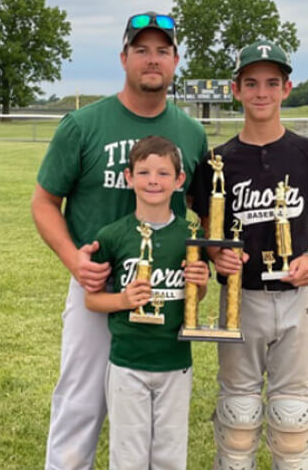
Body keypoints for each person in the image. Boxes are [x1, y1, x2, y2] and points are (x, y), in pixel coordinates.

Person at [31, 11, 207, 470]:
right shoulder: (84, 125)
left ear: (175, 61)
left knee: (161, 417)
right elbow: (44, 201)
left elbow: (202, 209)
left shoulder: (190, 132)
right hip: (98, 284)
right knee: (81, 401)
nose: (153, 60)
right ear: (123, 57)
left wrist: (203, 263)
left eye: (163, 51)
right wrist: (75, 262)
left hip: (163, 290)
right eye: (142, 50)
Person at [191, 40, 308, 470]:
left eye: (272, 83)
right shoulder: (217, 162)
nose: (262, 92)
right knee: (239, 415)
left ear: (287, 88)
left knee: (292, 415)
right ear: (236, 89)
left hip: (296, 300)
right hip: (242, 301)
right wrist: (216, 253)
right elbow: (208, 232)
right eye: (252, 83)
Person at [85, 136, 209, 470]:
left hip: (175, 359)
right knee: (128, 454)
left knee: (170, 452)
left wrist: (201, 282)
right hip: (127, 361)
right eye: (143, 172)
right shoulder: (113, 235)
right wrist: (123, 299)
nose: (153, 180)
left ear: (179, 181)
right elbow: (92, 300)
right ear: (128, 177)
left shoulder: (190, 235)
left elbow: (196, 297)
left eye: (163, 173)